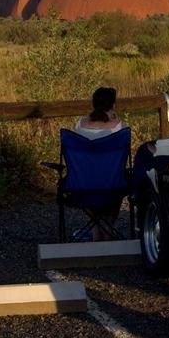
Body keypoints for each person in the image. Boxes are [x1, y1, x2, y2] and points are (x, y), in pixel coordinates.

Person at [73, 87, 127, 240]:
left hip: (82, 185)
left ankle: (96, 230)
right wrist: (114, 119)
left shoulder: (80, 125)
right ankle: (107, 230)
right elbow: (123, 158)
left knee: (92, 186)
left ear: (94, 104)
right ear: (113, 105)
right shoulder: (118, 128)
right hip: (111, 185)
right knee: (116, 185)